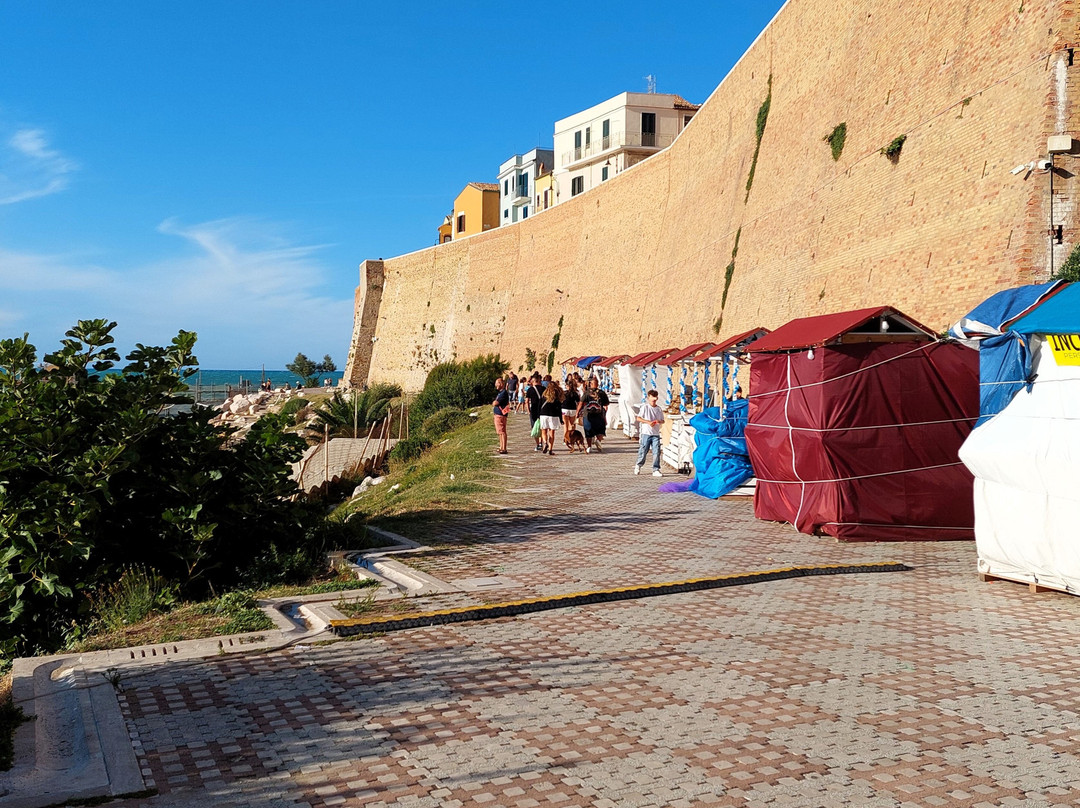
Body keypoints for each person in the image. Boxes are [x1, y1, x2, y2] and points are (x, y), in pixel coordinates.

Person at [634, 388, 665, 477]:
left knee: (656, 451)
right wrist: (648, 422)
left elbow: (662, 420)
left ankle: (656, 469)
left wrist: (658, 421)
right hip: (646, 432)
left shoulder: (658, 409)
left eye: (655, 397)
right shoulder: (645, 407)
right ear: (648, 398)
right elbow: (638, 418)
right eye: (652, 397)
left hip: (655, 433)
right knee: (643, 450)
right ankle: (638, 465)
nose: (654, 399)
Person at [583, 376, 610, 453]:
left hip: (587, 414)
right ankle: (598, 440)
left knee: (588, 430)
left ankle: (589, 446)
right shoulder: (601, 393)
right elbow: (606, 403)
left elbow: (581, 402)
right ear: (597, 384)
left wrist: (578, 412)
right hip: (599, 414)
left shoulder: (587, 393)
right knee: (600, 430)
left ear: (591, 384)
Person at [539, 381, 563, 455]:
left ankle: (545, 443)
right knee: (552, 433)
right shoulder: (556, 397)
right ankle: (550, 449)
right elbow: (559, 409)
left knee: (544, 431)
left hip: (543, 414)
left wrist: (537, 416)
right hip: (553, 415)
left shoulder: (543, 395)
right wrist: (561, 419)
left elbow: (539, 406)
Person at [492, 378, 511, 454]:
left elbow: (496, 403)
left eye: (497, 383)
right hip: (499, 414)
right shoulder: (501, 392)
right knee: (500, 432)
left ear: (501, 383)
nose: (496, 385)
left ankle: (504, 448)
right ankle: (501, 446)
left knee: (502, 431)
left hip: (500, 414)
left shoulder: (503, 393)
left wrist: (494, 402)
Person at [525, 373, 544, 451]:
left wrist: (528, 411)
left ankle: (538, 444)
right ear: (539, 380)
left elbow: (526, 401)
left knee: (534, 427)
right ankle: (541, 443)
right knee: (542, 427)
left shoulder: (530, 389)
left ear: (533, 381)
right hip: (543, 410)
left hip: (534, 409)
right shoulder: (544, 388)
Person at [561, 376, 581, 449]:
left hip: (564, 410)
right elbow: (578, 402)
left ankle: (566, 439)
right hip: (572, 410)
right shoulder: (575, 393)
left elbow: (561, 401)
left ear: (567, 386)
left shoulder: (564, 393)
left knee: (565, 426)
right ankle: (572, 438)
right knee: (572, 425)